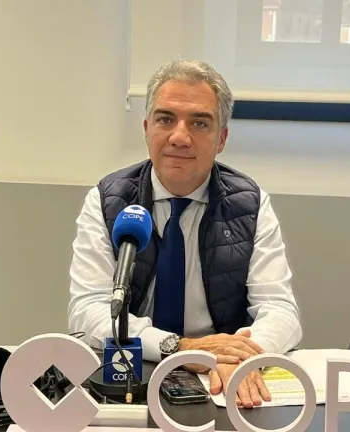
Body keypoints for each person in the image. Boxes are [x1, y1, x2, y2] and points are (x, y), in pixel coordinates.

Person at [67, 59, 302, 409]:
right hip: (136, 371)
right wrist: (181, 348)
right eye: (165, 119)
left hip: (220, 380)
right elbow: (88, 311)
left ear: (221, 139)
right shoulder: (108, 200)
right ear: (147, 129)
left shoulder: (250, 204)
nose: (179, 137)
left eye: (199, 123)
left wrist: (242, 356)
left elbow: (280, 309)